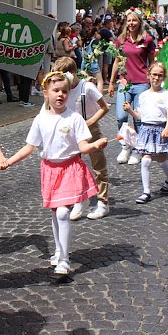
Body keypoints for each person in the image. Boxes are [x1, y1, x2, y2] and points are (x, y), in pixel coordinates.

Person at [0, 71, 108, 275]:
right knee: (57, 212)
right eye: (56, 91)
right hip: (49, 170)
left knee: (64, 211)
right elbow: (29, 147)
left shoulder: (75, 118)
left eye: (65, 91)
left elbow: (83, 147)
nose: (60, 95)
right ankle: (58, 250)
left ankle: (64, 260)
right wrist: (9, 161)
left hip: (70, 168)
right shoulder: (40, 119)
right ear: (45, 93)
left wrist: (96, 144)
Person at [50, 57, 110, 220]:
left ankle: (103, 202)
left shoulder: (87, 87)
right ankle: (78, 200)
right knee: (73, 167)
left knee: (99, 166)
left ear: (73, 74)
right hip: (70, 131)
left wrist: (89, 122)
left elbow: (104, 107)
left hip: (90, 129)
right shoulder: (64, 90)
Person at [122, 61, 168, 204]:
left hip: (160, 129)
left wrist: (167, 128)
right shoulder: (143, 95)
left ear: (163, 77)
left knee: (161, 160)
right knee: (145, 160)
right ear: (148, 75)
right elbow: (141, 116)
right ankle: (146, 191)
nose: (156, 78)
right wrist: (130, 111)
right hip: (146, 129)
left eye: (160, 75)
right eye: (154, 75)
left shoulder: (166, 94)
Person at [108, 10, 155, 166]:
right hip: (124, 83)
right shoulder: (121, 40)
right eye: (129, 20)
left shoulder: (147, 40)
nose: (131, 23)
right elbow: (116, 62)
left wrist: (153, 81)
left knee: (138, 118)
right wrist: (111, 82)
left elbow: (152, 63)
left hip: (142, 82)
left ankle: (138, 149)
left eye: (134, 20)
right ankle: (125, 145)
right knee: (121, 116)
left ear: (140, 22)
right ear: (125, 23)